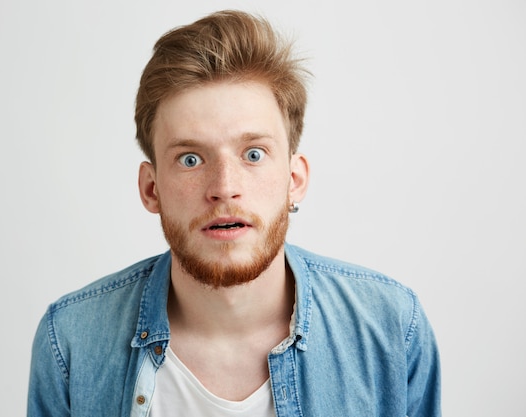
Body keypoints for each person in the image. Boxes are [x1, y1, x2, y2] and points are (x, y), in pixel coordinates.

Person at [27, 9, 441, 417]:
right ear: (151, 189)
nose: (224, 187)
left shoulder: (391, 329)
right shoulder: (70, 341)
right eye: (190, 159)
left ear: (294, 179)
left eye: (253, 154)